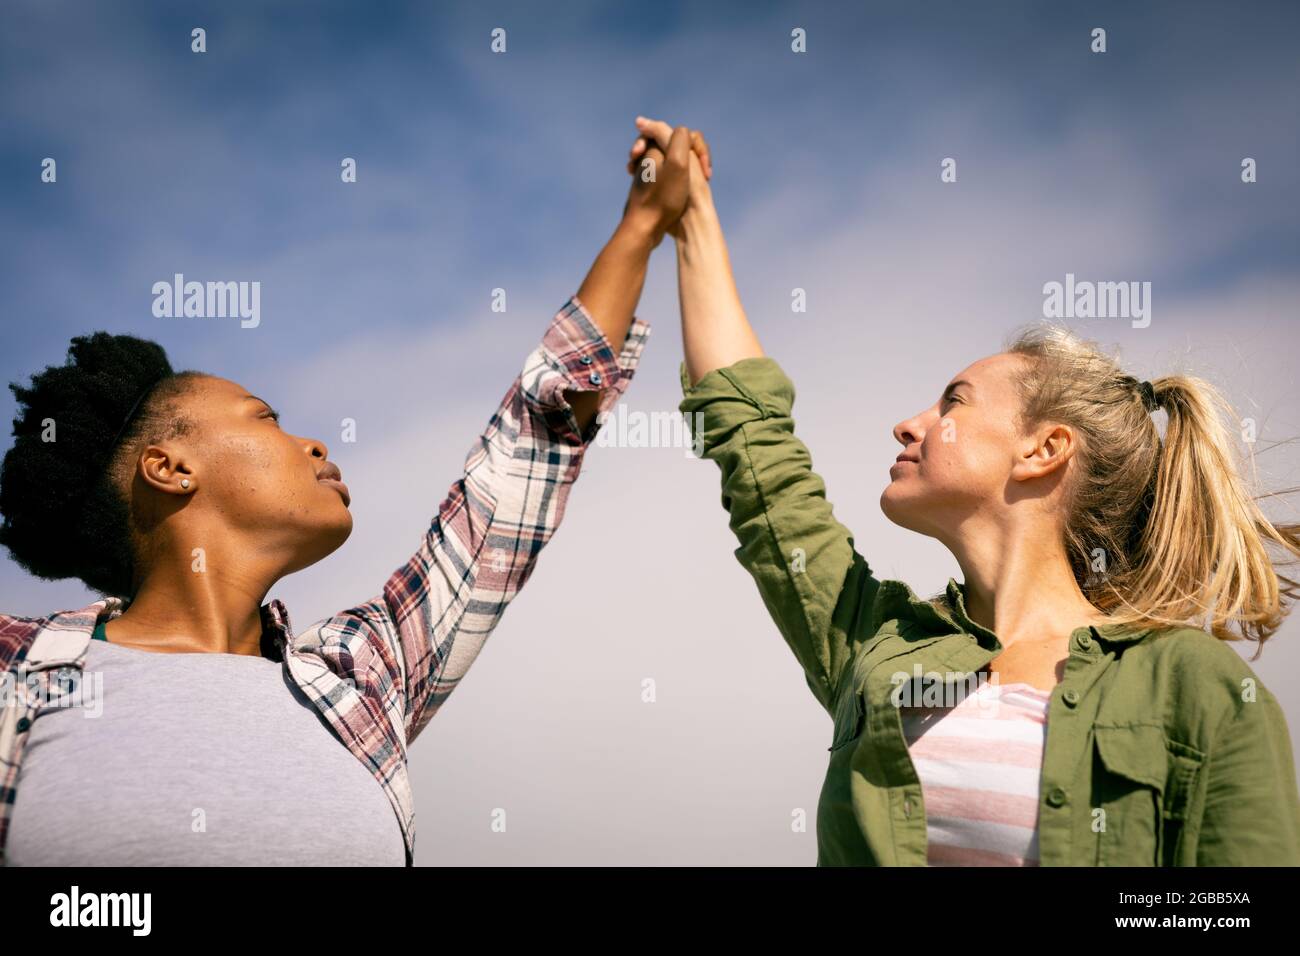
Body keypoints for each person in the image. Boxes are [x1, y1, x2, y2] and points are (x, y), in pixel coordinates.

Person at [0, 122, 701, 867]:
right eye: (265, 418)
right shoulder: (19, 667)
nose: (314, 444)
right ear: (170, 469)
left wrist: (644, 222)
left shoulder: (365, 675)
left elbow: (527, 451)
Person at [630, 114, 1300, 866]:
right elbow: (756, 451)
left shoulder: (1189, 687)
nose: (907, 425)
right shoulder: (877, 645)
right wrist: (691, 220)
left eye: (953, 401)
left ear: (1044, 450)